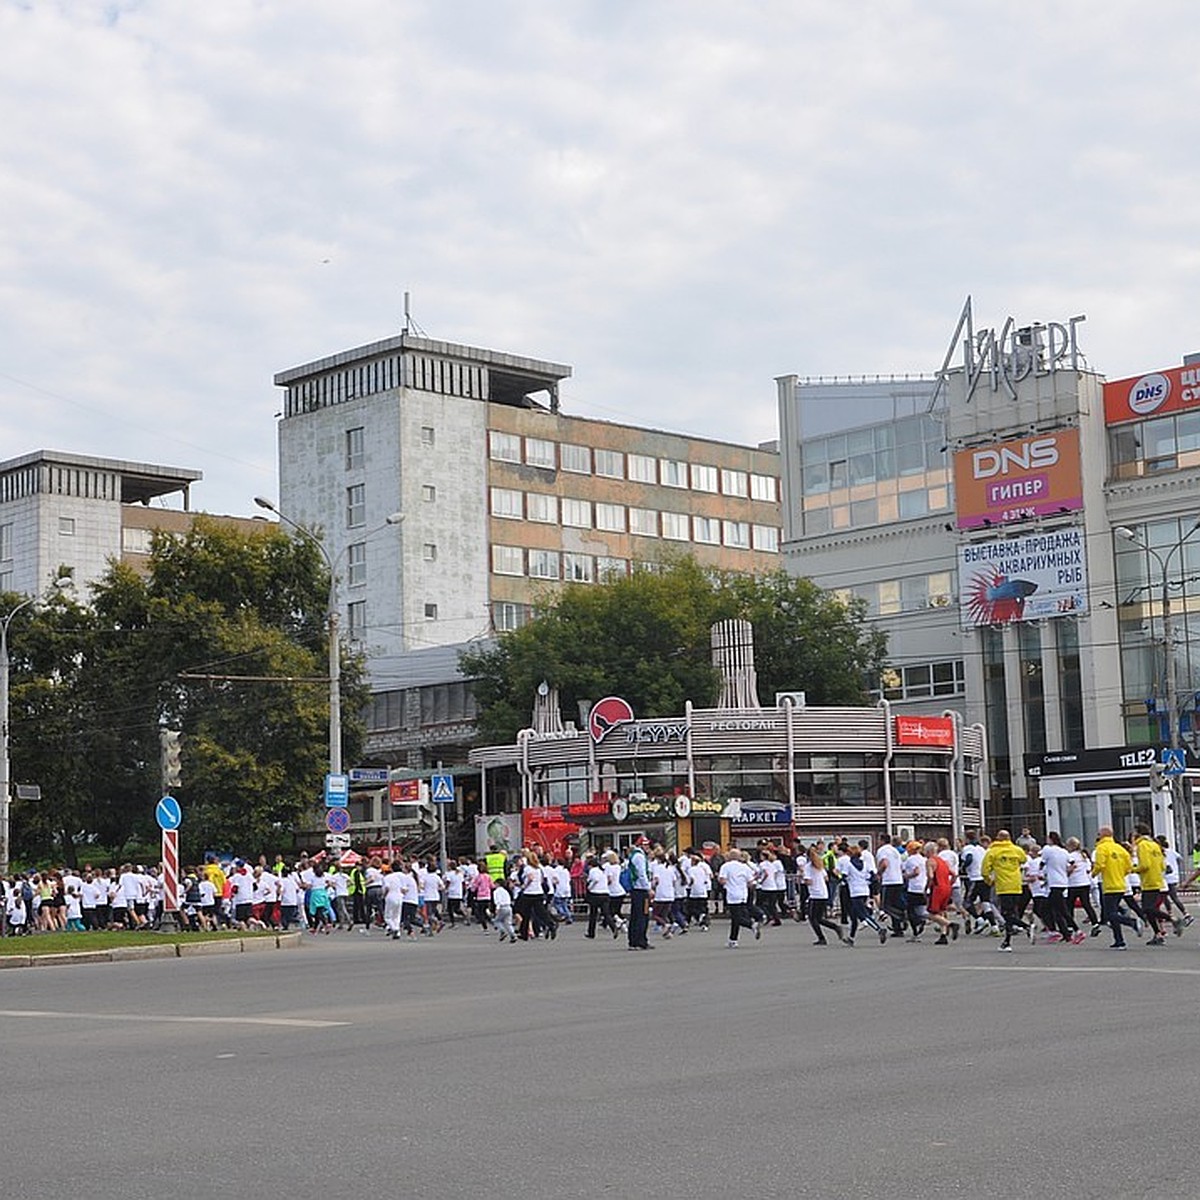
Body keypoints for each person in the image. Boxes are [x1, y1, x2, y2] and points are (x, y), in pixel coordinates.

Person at [1132, 823, 1183, 946]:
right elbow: (1162, 865)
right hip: (1158, 879)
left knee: (1147, 909)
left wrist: (1133, 869)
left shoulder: (1142, 845)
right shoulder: (1155, 845)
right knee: (1150, 910)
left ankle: (1173, 920)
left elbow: (1145, 865)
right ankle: (1158, 934)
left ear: (1137, 833)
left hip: (1149, 881)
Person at [980, 829, 1029, 952]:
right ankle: (1007, 942)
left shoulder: (993, 851)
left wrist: (989, 881)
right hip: (1017, 885)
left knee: (1006, 914)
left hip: (1003, 886)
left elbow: (984, 871)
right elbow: (1024, 860)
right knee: (1011, 913)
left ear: (997, 838)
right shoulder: (1017, 850)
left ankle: (1026, 926)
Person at [1093, 826, 1139, 950]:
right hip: (1121, 884)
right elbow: (1128, 867)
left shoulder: (1101, 848)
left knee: (1109, 914)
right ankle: (1119, 941)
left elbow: (1099, 865)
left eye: (1098, 833)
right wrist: (1119, 874)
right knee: (1113, 912)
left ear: (1102, 835)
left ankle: (1131, 922)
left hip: (1109, 885)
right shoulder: (1120, 849)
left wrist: (1093, 874)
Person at [802, 845, 848, 946]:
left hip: (815, 894)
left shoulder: (808, 866)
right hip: (823, 893)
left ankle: (822, 937)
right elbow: (826, 878)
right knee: (818, 918)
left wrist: (804, 880)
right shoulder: (820, 865)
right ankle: (835, 927)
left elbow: (808, 881)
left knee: (812, 918)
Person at [842, 843, 886, 946]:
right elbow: (873, 876)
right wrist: (867, 881)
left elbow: (843, 877)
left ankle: (879, 929)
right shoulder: (865, 864)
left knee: (862, 914)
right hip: (864, 890)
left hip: (854, 891)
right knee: (853, 915)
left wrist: (847, 880)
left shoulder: (848, 864)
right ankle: (851, 938)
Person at [717, 849, 758, 948]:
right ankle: (733, 940)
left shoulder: (726, 866)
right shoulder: (744, 867)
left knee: (736, 917)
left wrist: (723, 882)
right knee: (735, 918)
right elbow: (751, 882)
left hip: (732, 894)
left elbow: (722, 880)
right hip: (743, 894)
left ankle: (750, 924)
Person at [625, 837, 653, 950]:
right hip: (641, 890)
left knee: (636, 915)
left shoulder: (634, 855)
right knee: (642, 915)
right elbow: (642, 874)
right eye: (645, 845)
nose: (648, 847)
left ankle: (634, 940)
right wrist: (648, 888)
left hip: (636, 890)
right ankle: (640, 940)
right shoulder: (640, 857)